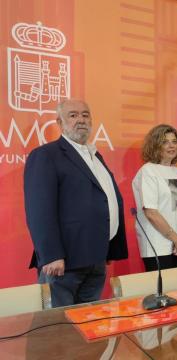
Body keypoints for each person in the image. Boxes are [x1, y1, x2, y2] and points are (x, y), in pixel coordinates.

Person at [24, 99, 128, 307]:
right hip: (65, 263)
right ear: (60, 123)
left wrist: (107, 248)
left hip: (96, 258)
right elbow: (39, 211)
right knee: (59, 330)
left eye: (85, 114)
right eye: (73, 115)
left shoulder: (95, 156)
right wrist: (51, 255)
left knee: (89, 325)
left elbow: (105, 199)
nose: (80, 120)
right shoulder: (46, 155)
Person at [132, 124, 177, 272]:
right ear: (155, 145)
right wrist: (176, 239)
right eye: (165, 142)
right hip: (157, 246)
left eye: (174, 141)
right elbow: (151, 213)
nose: (171, 146)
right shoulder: (148, 171)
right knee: (161, 293)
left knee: (176, 291)